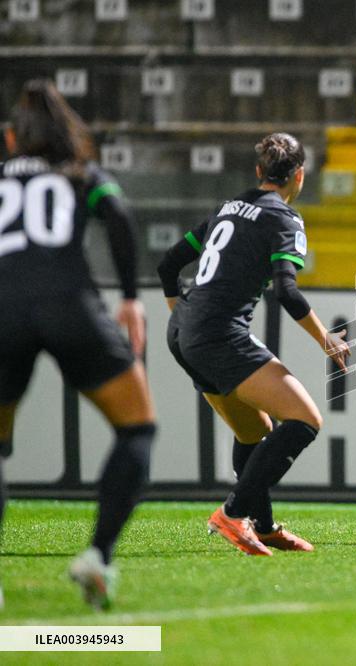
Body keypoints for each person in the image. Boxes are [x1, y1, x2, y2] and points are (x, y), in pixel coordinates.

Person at [0, 79, 157, 609]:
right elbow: (118, 214)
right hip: (70, 303)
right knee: (136, 428)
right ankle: (98, 556)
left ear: (11, 140)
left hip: (3, 310)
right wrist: (132, 298)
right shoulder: (81, 174)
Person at [157, 132, 349, 556]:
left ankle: (262, 527)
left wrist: (184, 316)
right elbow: (287, 291)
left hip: (185, 333)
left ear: (260, 171)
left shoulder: (227, 208)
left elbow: (169, 264)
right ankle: (232, 513)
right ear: (299, 175)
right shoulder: (284, 220)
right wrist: (326, 339)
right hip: (219, 336)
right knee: (305, 420)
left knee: (255, 432)